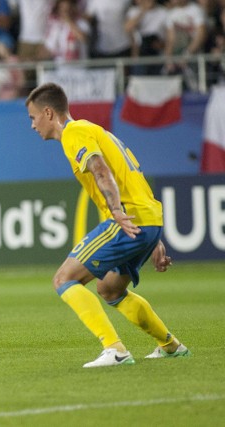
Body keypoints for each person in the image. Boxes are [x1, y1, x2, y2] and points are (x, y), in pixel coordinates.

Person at [24, 82, 191, 368]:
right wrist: (154, 237)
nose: (32, 125)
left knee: (64, 279)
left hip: (126, 218)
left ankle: (115, 349)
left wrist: (116, 210)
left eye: (32, 117)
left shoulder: (74, 133)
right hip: (146, 218)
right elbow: (132, 179)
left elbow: (100, 170)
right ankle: (170, 346)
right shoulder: (95, 130)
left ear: (48, 113)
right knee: (110, 289)